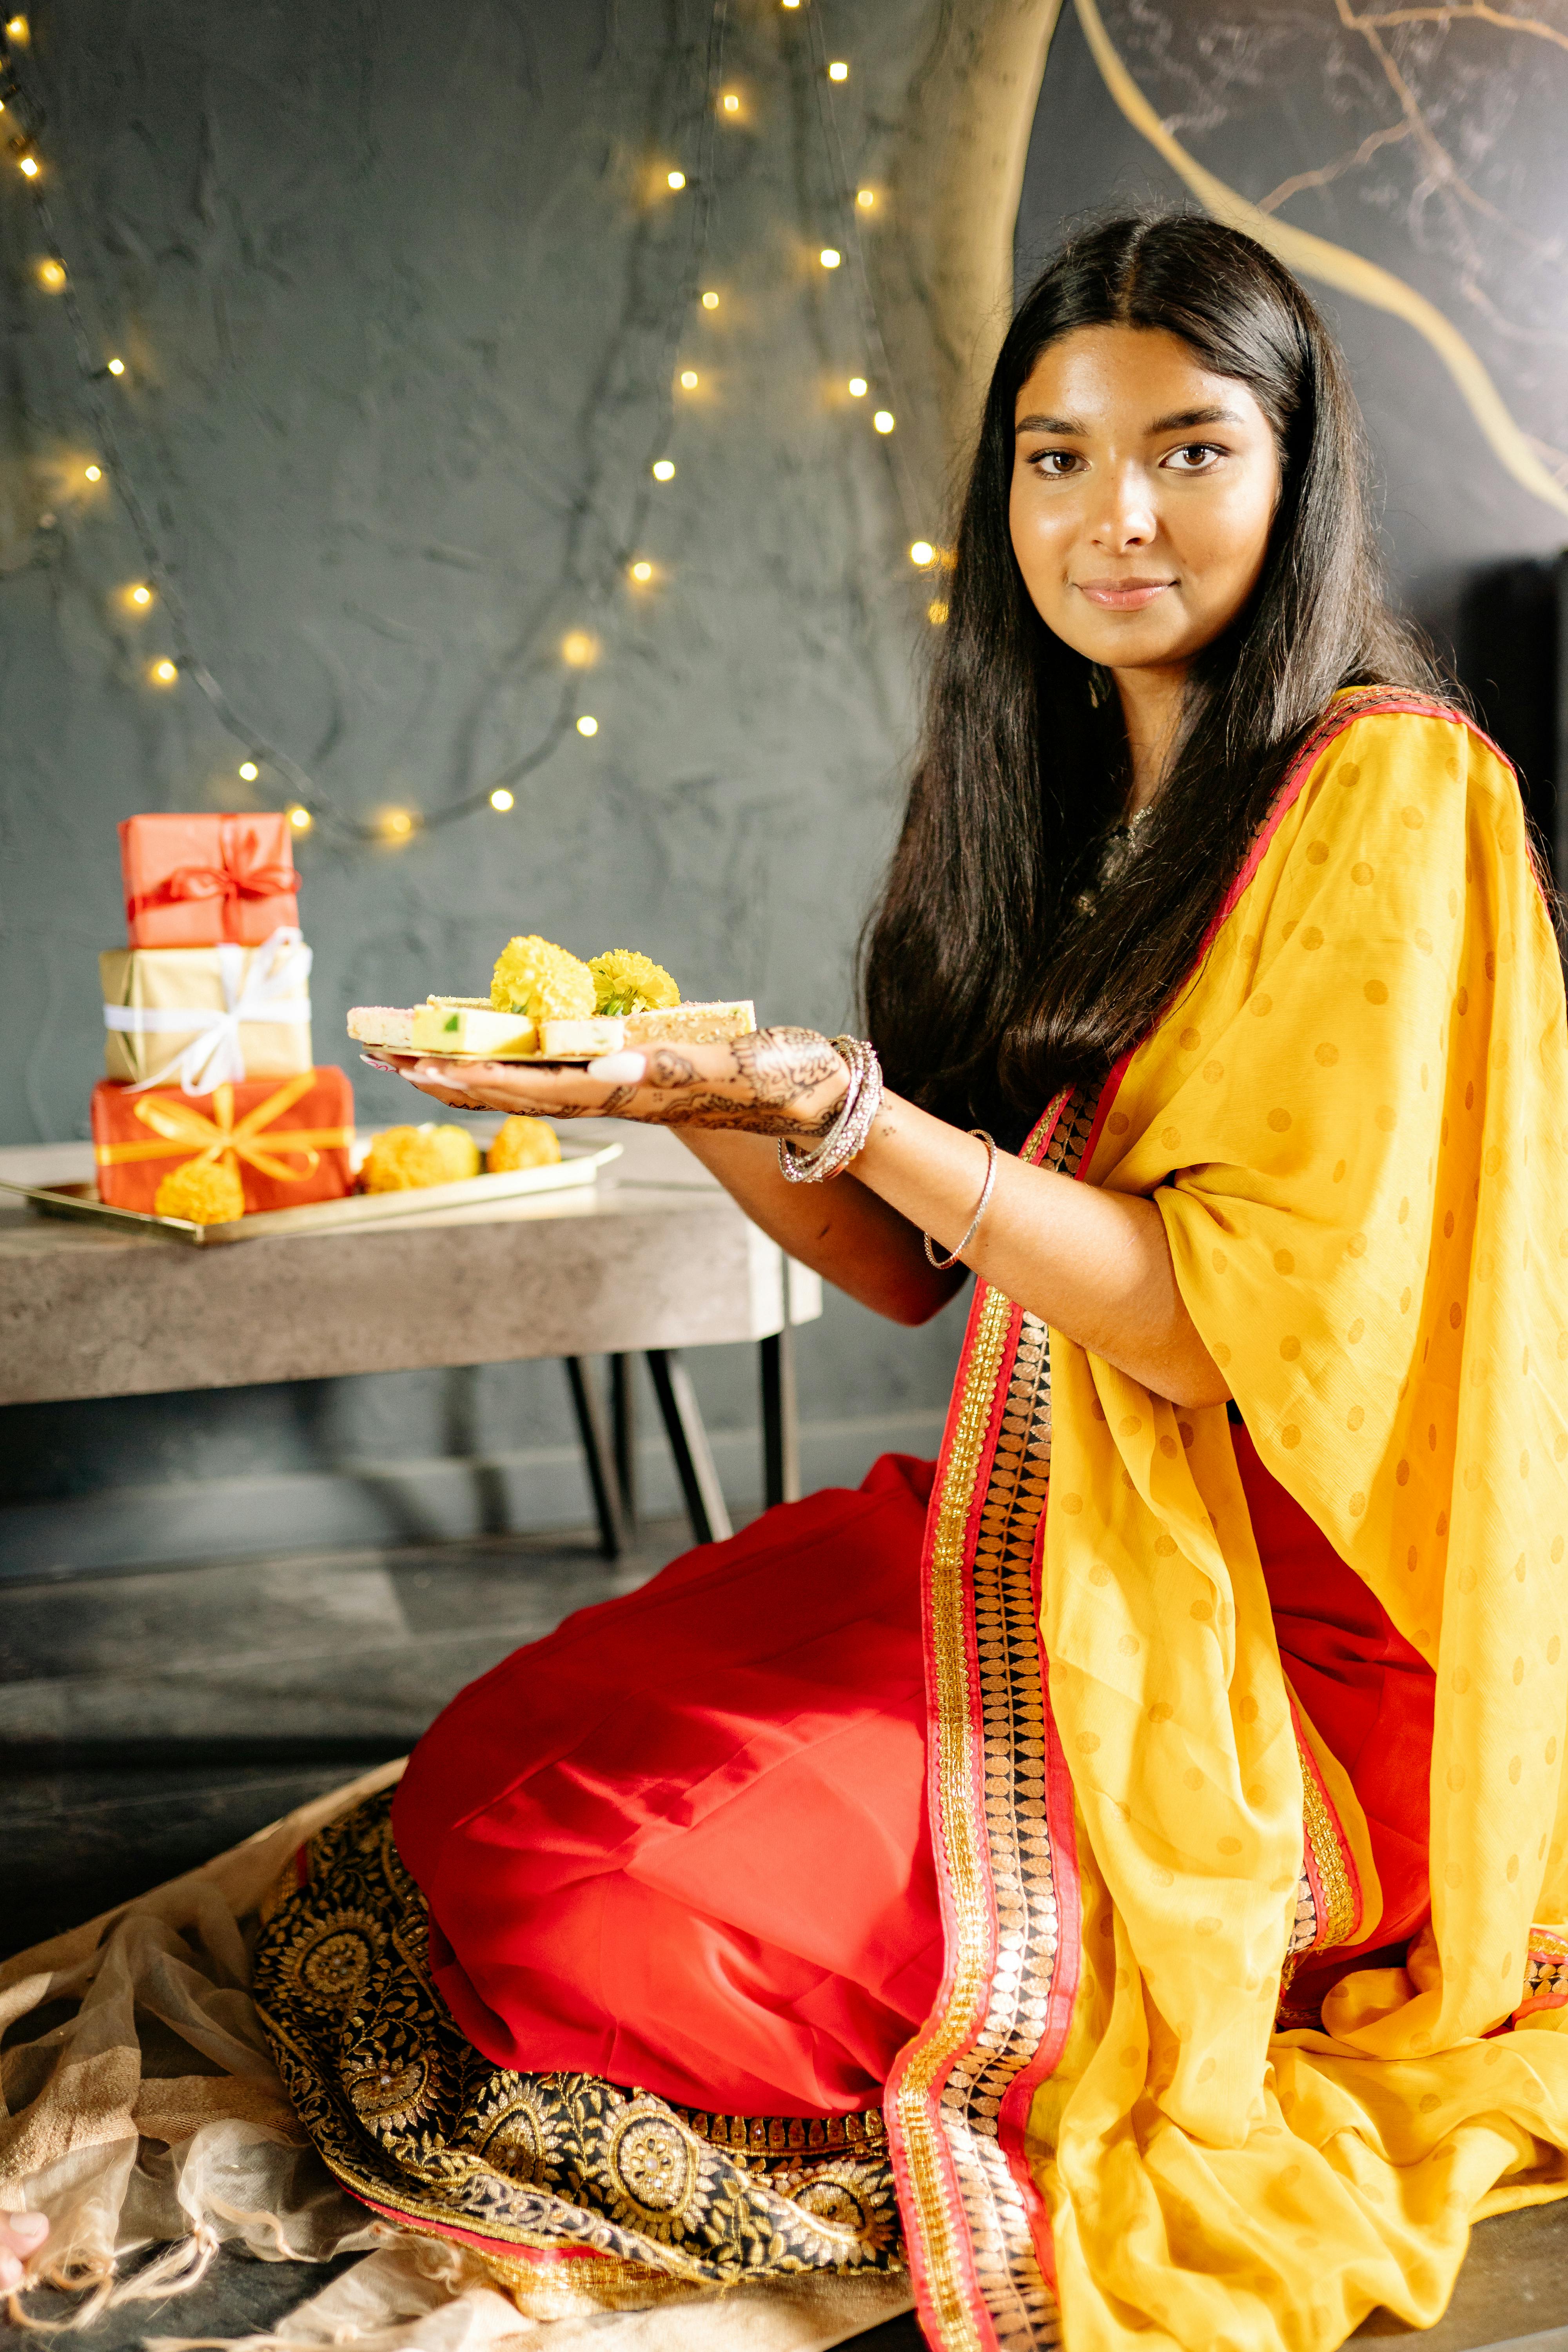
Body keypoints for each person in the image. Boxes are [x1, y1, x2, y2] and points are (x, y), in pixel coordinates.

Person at [250, 215, 1568, 2351]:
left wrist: (840, 1103)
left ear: (1297, 468)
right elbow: (902, 1269)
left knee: (620, 1907)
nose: (1111, 517)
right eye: (1053, 458)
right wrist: (692, 1092)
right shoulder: (1053, 780)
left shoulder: (1390, 797)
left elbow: (1187, 1320)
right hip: (1065, 1543)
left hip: (1294, 1639)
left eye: (1187, 451)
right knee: (517, 1767)